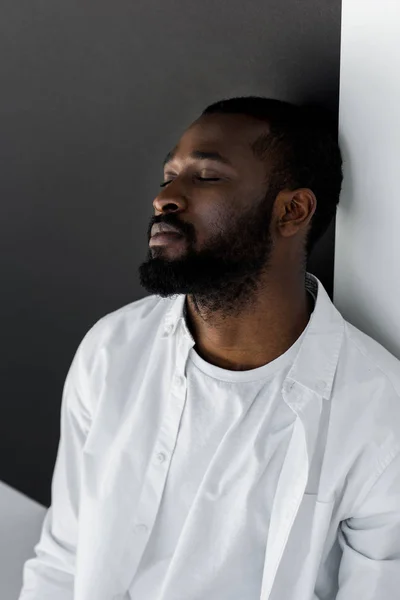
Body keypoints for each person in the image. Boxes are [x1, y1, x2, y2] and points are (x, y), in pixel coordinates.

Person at [18, 96, 400, 600]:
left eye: (206, 177)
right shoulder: (112, 350)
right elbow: (65, 556)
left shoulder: (377, 414)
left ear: (292, 210)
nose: (165, 198)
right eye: (167, 175)